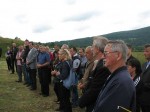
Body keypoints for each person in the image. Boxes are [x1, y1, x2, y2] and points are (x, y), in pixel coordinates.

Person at [93, 40, 136, 112]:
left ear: (118, 55)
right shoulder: (117, 76)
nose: (103, 56)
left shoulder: (122, 82)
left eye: (106, 53)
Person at [78, 37, 110, 112]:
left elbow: (95, 90)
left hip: (96, 105)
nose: (91, 49)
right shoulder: (99, 63)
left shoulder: (103, 66)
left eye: (92, 46)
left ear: (97, 49)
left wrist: (81, 101)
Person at [139, 44, 150, 112]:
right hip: (143, 100)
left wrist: (141, 84)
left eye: (146, 51)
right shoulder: (144, 65)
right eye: (144, 51)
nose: (144, 53)